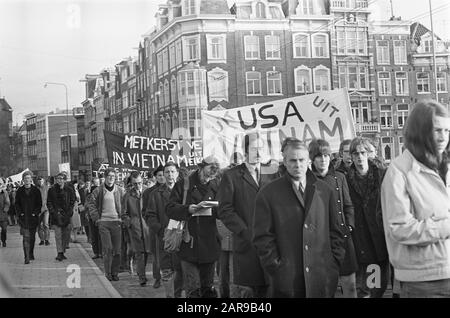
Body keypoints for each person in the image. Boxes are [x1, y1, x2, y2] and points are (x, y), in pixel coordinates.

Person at [252, 138, 345, 298]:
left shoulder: (325, 191)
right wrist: (276, 267)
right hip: (287, 280)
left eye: (301, 160)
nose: (298, 165)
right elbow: (262, 237)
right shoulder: (268, 194)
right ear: (285, 161)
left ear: (308, 159)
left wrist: (333, 263)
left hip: (321, 278)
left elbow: (336, 231)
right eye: (293, 160)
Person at [381, 100, 450, 298]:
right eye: (437, 130)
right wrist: (445, 227)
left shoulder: (446, 166)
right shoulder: (399, 172)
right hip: (424, 280)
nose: (443, 137)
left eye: (447, 130)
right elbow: (400, 228)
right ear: (420, 131)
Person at [218, 132, 278, 298]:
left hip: (271, 246)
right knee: (248, 294)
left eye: (260, 148)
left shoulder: (272, 174)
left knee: (271, 290)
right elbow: (225, 209)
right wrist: (245, 231)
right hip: (247, 246)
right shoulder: (231, 176)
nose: (258, 153)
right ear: (245, 151)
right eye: (254, 149)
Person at [309, 139, 358, 298]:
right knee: (324, 289)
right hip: (319, 243)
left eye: (326, 155)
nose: (323, 160)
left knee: (350, 286)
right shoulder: (306, 181)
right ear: (312, 158)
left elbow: (348, 205)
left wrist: (349, 225)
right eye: (318, 156)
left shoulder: (339, 177)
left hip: (342, 238)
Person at [166, 156, 221, 298]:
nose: (208, 179)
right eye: (207, 174)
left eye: (212, 176)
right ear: (201, 168)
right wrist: (188, 209)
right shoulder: (184, 184)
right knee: (193, 289)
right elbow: (170, 208)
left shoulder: (217, 185)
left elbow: (224, 210)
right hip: (189, 243)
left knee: (208, 288)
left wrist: (216, 208)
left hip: (209, 244)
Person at [346, 137, 389, 298]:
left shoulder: (381, 175)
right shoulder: (345, 178)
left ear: (368, 154)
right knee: (364, 286)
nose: (359, 156)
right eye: (355, 153)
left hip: (378, 236)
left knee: (378, 285)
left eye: (362, 152)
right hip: (359, 237)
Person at [146, 162, 184, 297]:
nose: (170, 175)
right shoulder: (156, 194)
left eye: (172, 172)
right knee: (167, 269)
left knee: (180, 269)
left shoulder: (184, 192)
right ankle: (170, 295)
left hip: (181, 236)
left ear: (177, 173)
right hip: (165, 237)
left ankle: (178, 295)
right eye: (167, 172)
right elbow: (150, 215)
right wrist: (160, 230)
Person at [87, 168, 125, 281]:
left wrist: (123, 218)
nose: (111, 178)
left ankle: (115, 272)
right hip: (103, 222)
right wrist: (96, 219)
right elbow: (91, 204)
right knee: (108, 248)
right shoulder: (98, 190)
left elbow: (125, 205)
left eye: (113, 176)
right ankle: (108, 272)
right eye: (109, 176)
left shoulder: (120, 190)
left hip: (117, 222)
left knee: (117, 250)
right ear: (105, 177)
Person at [122, 171, 151, 286]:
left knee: (147, 252)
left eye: (139, 183)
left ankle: (141, 273)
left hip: (147, 227)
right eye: (135, 184)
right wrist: (130, 224)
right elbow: (123, 213)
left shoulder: (148, 192)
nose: (138, 185)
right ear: (131, 183)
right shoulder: (127, 195)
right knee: (139, 253)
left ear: (142, 180)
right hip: (135, 228)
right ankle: (142, 277)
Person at [142, 165, 166, 288]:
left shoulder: (174, 190)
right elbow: (145, 212)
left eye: (164, 174)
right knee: (156, 254)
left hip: (171, 227)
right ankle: (157, 278)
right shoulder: (148, 192)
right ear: (156, 177)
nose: (162, 177)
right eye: (159, 175)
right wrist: (154, 225)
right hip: (155, 229)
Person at [47, 172, 76, 261]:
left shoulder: (69, 189)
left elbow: (72, 201)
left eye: (61, 178)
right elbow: (49, 202)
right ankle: (59, 252)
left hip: (67, 214)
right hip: (56, 215)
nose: (59, 180)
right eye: (57, 179)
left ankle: (62, 250)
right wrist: (53, 212)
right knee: (58, 234)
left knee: (66, 234)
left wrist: (70, 211)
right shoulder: (51, 190)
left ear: (64, 180)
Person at [15, 171, 42, 264]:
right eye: (25, 178)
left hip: (33, 218)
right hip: (23, 218)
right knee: (26, 237)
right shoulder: (19, 191)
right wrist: (20, 213)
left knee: (32, 238)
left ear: (31, 179)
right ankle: (26, 256)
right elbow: (16, 204)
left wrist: (35, 213)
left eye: (28, 178)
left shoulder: (36, 191)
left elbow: (39, 204)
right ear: (23, 180)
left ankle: (31, 253)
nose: (27, 180)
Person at [86, 178, 102, 259]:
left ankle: (101, 252)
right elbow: (87, 205)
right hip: (92, 217)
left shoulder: (102, 191)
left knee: (100, 235)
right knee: (94, 235)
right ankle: (96, 252)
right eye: (95, 182)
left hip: (100, 217)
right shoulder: (89, 193)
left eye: (98, 182)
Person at [36, 177, 50, 246]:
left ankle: (47, 239)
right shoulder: (35, 189)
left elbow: (50, 198)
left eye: (41, 181)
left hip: (46, 209)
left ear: (43, 181)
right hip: (38, 210)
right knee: (39, 225)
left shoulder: (47, 188)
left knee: (45, 224)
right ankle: (42, 239)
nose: (40, 182)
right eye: (39, 181)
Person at [0, 178, 11, 247]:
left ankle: (3, 240)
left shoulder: (5, 193)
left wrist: (5, 210)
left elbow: (7, 203)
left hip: (3, 214)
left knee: (4, 229)